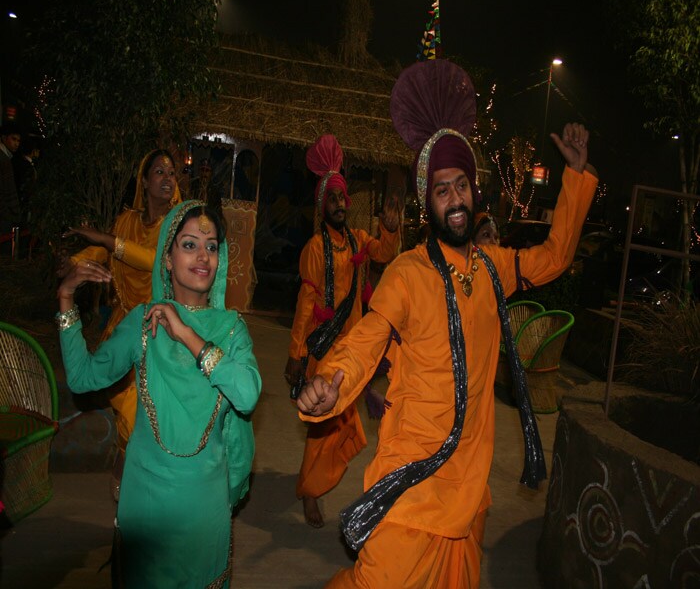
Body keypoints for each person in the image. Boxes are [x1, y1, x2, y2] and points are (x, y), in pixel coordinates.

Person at [296, 59, 598, 587]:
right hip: (412, 477)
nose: (455, 198)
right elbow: (368, 337)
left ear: (474, 192)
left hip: (468, 483)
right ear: (427, 202)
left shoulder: (492, 267)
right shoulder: (409, 273)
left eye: (461, 186)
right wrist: (333, 379)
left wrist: (574, 177)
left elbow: (552, 257)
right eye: (442, 190)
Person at [56, 201, 261, 586]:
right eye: (189, 245)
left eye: (212, 246)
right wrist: (66, 299)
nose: (203, 256)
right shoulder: (142, 322)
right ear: (166, 259)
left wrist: (186, 334)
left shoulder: (232, 329)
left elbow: (247, 396)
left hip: (204, 508)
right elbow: (83, 379)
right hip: (145, 504)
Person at [285, 134, 401, 528]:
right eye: (331, 199)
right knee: (321, 428)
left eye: (342, 198)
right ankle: (310, 491)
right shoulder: (315, 249)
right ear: (322, 206)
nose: (338, 204)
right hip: (323, 353)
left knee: (343, 425)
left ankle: (318, 482)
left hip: (355, 355)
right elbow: (305, 303)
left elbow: (385, 255)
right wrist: (296, 353)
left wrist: (389, 230)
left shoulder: (359, 240)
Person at [59, 149, 182, 499]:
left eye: (171, 173)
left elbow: (153, 261)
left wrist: (104, 238)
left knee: (148, 414)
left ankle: (130, 470)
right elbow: (103, 254)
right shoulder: (127, 221)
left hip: (159, 330)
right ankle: (127, 465)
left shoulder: (176, 225)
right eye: (158, 171)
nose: (167, 178)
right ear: (144, 180)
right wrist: (75, 262)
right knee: (129, 409)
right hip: (123, 328)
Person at [0, 122, 22, 235]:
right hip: (4, 218)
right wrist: (8, 215)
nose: (16, 144)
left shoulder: (6, 158)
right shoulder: (3, 159)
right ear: (4, 138)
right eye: (14, 139)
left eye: (18, 140)